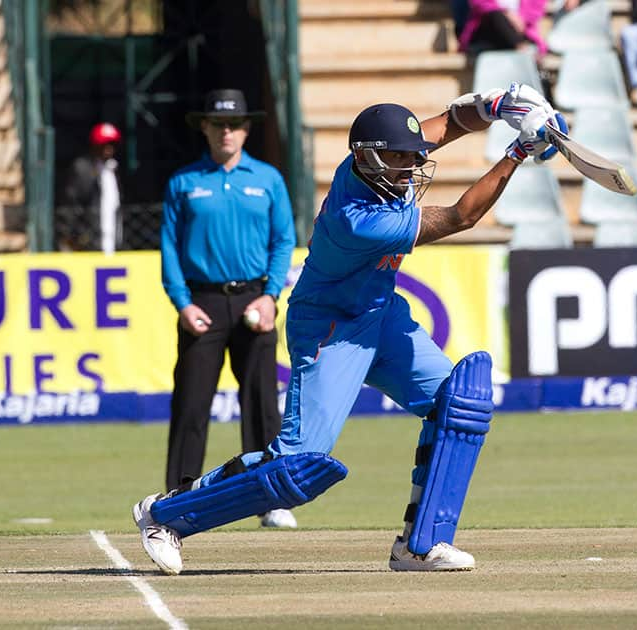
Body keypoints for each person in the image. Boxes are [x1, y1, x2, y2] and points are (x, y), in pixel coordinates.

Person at [132, 83, 567, 575]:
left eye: (412, 157)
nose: (411, 167)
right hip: (331, 329)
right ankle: (165, 514)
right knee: (298, 465)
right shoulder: (355, 218)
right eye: (400, 160)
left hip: (381, 315)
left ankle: (421, 544)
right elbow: (461, 216)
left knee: (458, 404)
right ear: (369, 159)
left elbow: (446, 125)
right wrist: (517, 151)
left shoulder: (375, 160)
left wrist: (495, 105)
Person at [159, 88, 298, 529]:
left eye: (234, 124)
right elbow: (169, 249)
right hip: (201, 301)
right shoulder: (184, 182)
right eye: (218, 124)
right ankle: (178, 498)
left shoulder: (268, 179)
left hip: (254, 299)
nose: (227, 132)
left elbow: (283, 242)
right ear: (204, 126)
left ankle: (270, 498)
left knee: (260, 403)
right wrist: (182, 302)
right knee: (192, 403)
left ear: (246, 129)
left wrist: (271, 294)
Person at [58, 122, 123, 253]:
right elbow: (71, 203)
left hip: (113, 243)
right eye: (103, 144)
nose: (108, 148)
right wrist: (77, 236)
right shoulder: (83, 168)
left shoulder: (114, 169)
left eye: (112, 144)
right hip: (89, 244)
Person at [458, 0, 550, 57]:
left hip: (521, 30)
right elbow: (480, 4)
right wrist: (507, 14)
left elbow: (536, 10)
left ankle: (520, 47)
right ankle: (521, 48)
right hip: (487, 31)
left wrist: (522, 20)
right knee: (495, 15)